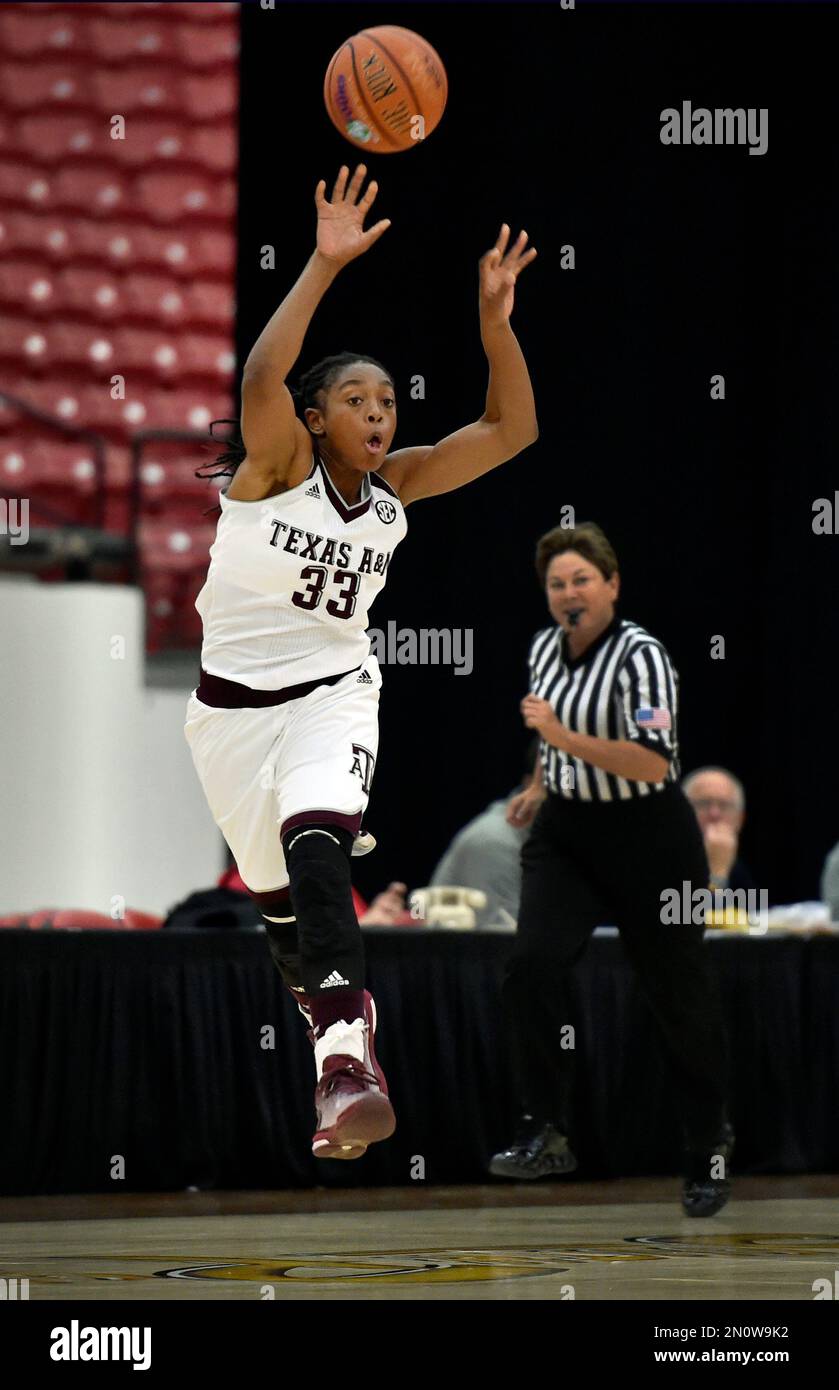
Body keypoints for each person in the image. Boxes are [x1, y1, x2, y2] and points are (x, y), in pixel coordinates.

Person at [185, 164, 538, 1160]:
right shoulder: (273, 469)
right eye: (355, 398)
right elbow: (260, 378)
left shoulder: (398, 488)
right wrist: (322, 262)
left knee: (317, 839)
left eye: (386, 399)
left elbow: (512, 430)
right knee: (287, 920)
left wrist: (494, 320)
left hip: (334, 696)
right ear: (313, 417)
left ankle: (346, 1059)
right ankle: (331, 1044)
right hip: (227, 719)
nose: (379, 413)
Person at [490, 522, 734, 1216]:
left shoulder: (642, 657)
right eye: (556, 584)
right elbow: (547, 738)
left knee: (677, 996)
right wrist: (540, 779)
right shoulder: (542, 647)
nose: (568, 594)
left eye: (580, 581)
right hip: (567, 831)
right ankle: (545, 1128)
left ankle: (705, 1148)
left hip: (650, 836)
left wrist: (561, 738)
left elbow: (653, 762)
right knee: (530, 965)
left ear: (611, 586)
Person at [428, 742, 539, 929]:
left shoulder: (553, 842)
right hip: (453, 956)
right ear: (532, 786)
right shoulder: (495, 841)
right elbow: (501, 942)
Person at [682, 766, 756, 893]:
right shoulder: (665, 864)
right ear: (682, 813)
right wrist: (717, 874)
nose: (714, 814)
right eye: (703, 803)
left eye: (724, 805)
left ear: (740, 819)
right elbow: (693, 912)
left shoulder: (740, 872)